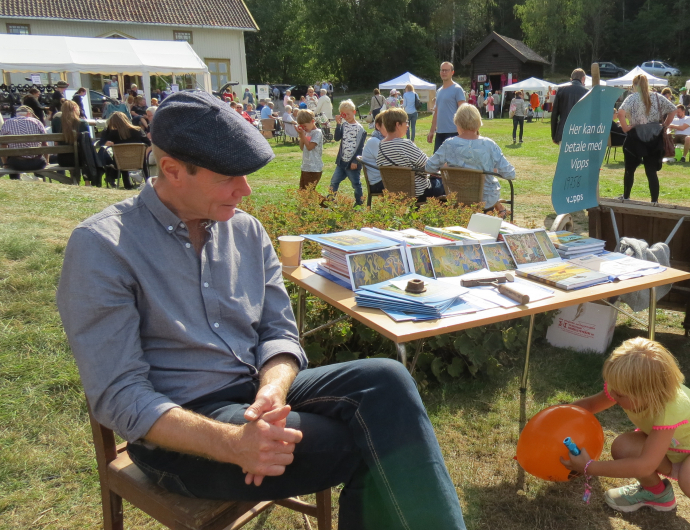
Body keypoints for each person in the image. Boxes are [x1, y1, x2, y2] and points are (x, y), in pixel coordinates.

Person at [56, 90, 466, 530]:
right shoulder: (102, 247)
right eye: (229, 177)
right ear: (172, 170)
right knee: (376, 442)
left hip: (253, 395)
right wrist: (235, 444)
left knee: (386, 380)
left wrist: (273, 388)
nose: (245, 190)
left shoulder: (246, 231)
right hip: (176, 433)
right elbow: (119, 396)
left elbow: (279, 332)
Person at [562, 338, 690, 530]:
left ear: (649, 394)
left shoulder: (672, 407)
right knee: (623, 447)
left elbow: (644, 466)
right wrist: (557, 414)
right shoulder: (624, 388)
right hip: (666, 448)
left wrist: (589, 466)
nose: (613, 395)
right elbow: (590, 406)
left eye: (619, 395)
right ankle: (657, 495)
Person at [426, 104, 515, 217]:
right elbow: (510, 173)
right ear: (478, 123)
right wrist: (493, 170)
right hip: (485, 201)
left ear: (457, 123)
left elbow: (429, 167)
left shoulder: (449, 144)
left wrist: (445, 167)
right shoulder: (489, 145)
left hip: (458, 198)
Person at [617, 74, 676, 204]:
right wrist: (665, 125)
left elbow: (620, 113)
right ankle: (654, 200)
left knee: (629, 170)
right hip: (654, 136)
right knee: (651, 171)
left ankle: (626, 197)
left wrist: (626, 127)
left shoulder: (631, 98)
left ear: (634, 85)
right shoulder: (657, 97)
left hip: (635, 136)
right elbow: (673, 109)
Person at [378, 108, 445, 200]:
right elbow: (428, 165)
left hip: (395, 192)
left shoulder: (381, 146)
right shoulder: (404, 144)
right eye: (406, 122)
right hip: (418, 192)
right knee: (447, 183)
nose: (408, 125)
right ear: (398, 124)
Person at [97, 112, 150, 189]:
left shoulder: (112, 134)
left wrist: (108, 129)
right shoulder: (138, 130)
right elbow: (148, 143)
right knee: (138, 156)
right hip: (138, 160)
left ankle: (126, 183)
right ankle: (147, 180)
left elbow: (102, 142)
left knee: (120, 156)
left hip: (120, 163)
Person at [329, 99, 366, 205]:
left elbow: (360, 147)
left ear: (354, 112)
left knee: (355, 183)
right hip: (342, 161)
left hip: (352, 162)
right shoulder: (344, 126)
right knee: (334, 181)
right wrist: (338, 124)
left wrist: (355, 160)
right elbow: (337, 138)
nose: (346, 117)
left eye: (348, 114)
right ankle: (330, 200)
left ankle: (359, 201)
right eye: (343, 115)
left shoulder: (360, 129)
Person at [427, 62, 466, 152]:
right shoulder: (439, 91)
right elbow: (436, 112)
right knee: (438, 163)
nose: (444, 72)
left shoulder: (457, 89)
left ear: (452, 72)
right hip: (440, 132)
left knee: (452, 163)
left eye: (446, 70)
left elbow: (463, 111)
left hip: (453, 132)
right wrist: (432, 131)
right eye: (442, 70)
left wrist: (463, 132)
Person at [0, 106, 47, 179]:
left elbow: (3, 145)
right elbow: (45, 144)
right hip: (37, 163)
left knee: (11, 158)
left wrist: (5, 163)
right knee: (39, 157)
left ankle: (15, 181)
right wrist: (47, 161)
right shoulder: (36, 122)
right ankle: (41, 180)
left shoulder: (7, 123)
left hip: (17, 164)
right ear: (28, 113)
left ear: (16, 114)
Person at [551, 68, 590, 145]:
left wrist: (554, 135)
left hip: (563, 132)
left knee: (563, 156)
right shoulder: (587, 92)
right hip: (580, 132)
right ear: (583, 79)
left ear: (571, 79)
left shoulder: (561, 90)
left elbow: (554, 115)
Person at [51, 99, 93, 169]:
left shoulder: (55, 121)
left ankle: (73, 178)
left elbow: (56, 143)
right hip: (81, 160)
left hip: (63, 160)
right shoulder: (82, 123)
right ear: (74, 108)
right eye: (79, 109)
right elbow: (87, 143)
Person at [294, 109, 324, 194]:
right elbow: (302, 147)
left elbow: (310, 147)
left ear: (312, 121)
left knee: (309, 191)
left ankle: (327, 204)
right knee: (302, 190)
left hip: (314, 167)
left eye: (305, 126)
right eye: (301, 126)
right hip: (306, 166)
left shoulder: (317, 133)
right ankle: (306, 206)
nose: (304, 128)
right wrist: (301, 134)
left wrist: (303, 135)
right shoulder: (306, 133)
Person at [362, 110, 387, 196]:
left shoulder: (382, 140)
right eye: (387, 125)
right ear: (378, 126)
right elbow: (388, 164)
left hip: (384, 179)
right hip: (378, 183)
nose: (390, 127)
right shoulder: (374, 141)